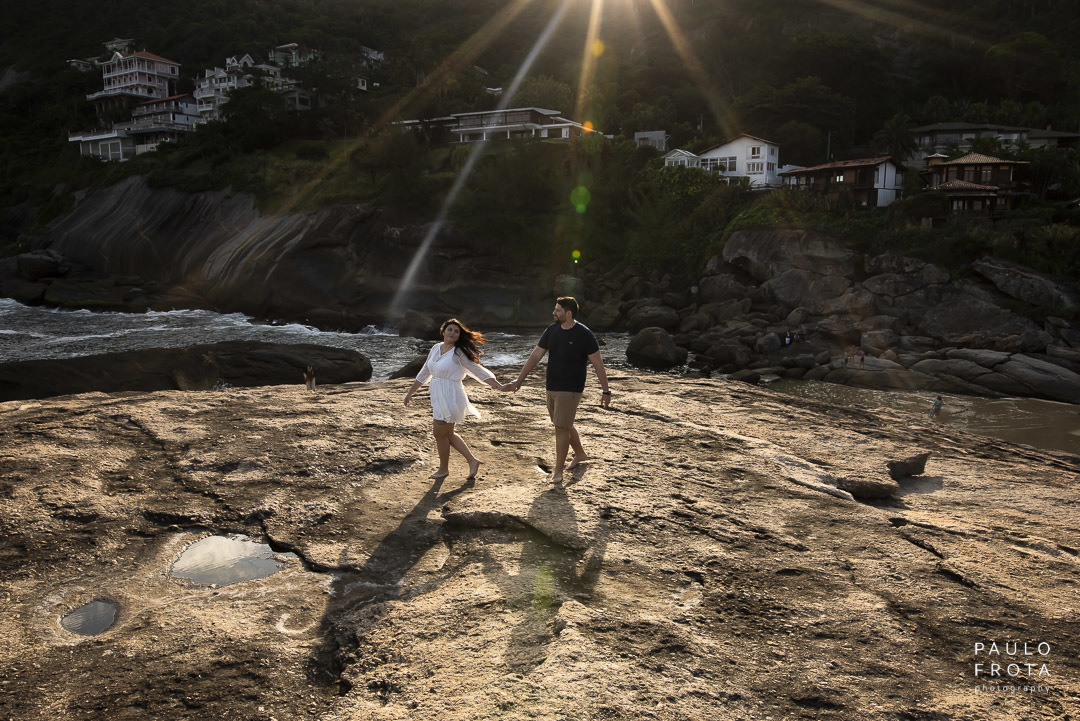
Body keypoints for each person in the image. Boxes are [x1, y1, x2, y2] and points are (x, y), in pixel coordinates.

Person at [508, 297, 610, 484]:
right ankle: (580, 454)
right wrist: (519, 380)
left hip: (570, 389)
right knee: (563, 423)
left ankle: (558, 471)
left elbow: (598, 364)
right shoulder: (552, 330)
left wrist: (606, 391)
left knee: (561, 427)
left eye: (557, 310)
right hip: (552, 386)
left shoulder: (584, 334)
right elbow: (535, 356)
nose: (554, 313)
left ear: (568, 313)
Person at [404, 318, 506, 480]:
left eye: (456, 331)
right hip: (438, 394)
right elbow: (425, 372)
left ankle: (444, 469)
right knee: (448, 433)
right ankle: (472, 461)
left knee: (439, 433)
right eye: (449, 329)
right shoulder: (436, 348)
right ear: (443, 331)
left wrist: (498, 385)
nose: (452, 333)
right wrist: (410, 392)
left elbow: (476, 370)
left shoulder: (458, 352)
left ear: (459, 336)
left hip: (451, 395)